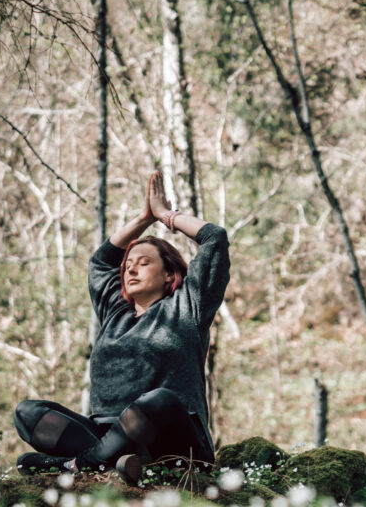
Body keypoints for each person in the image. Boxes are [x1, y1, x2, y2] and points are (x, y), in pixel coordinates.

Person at [13, 172, 229, 485]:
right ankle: (109, 459)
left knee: (161, 400)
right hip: (106, 434)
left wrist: (165, 215)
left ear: (170, 274)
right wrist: (142, 219)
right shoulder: (115, 312)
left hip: (171, 439)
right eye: (128, 265)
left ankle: (83, 464)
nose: (130, 268)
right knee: (28, 413)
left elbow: (215, 238)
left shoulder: (188, 306)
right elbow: (102, 262)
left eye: (143, 262)